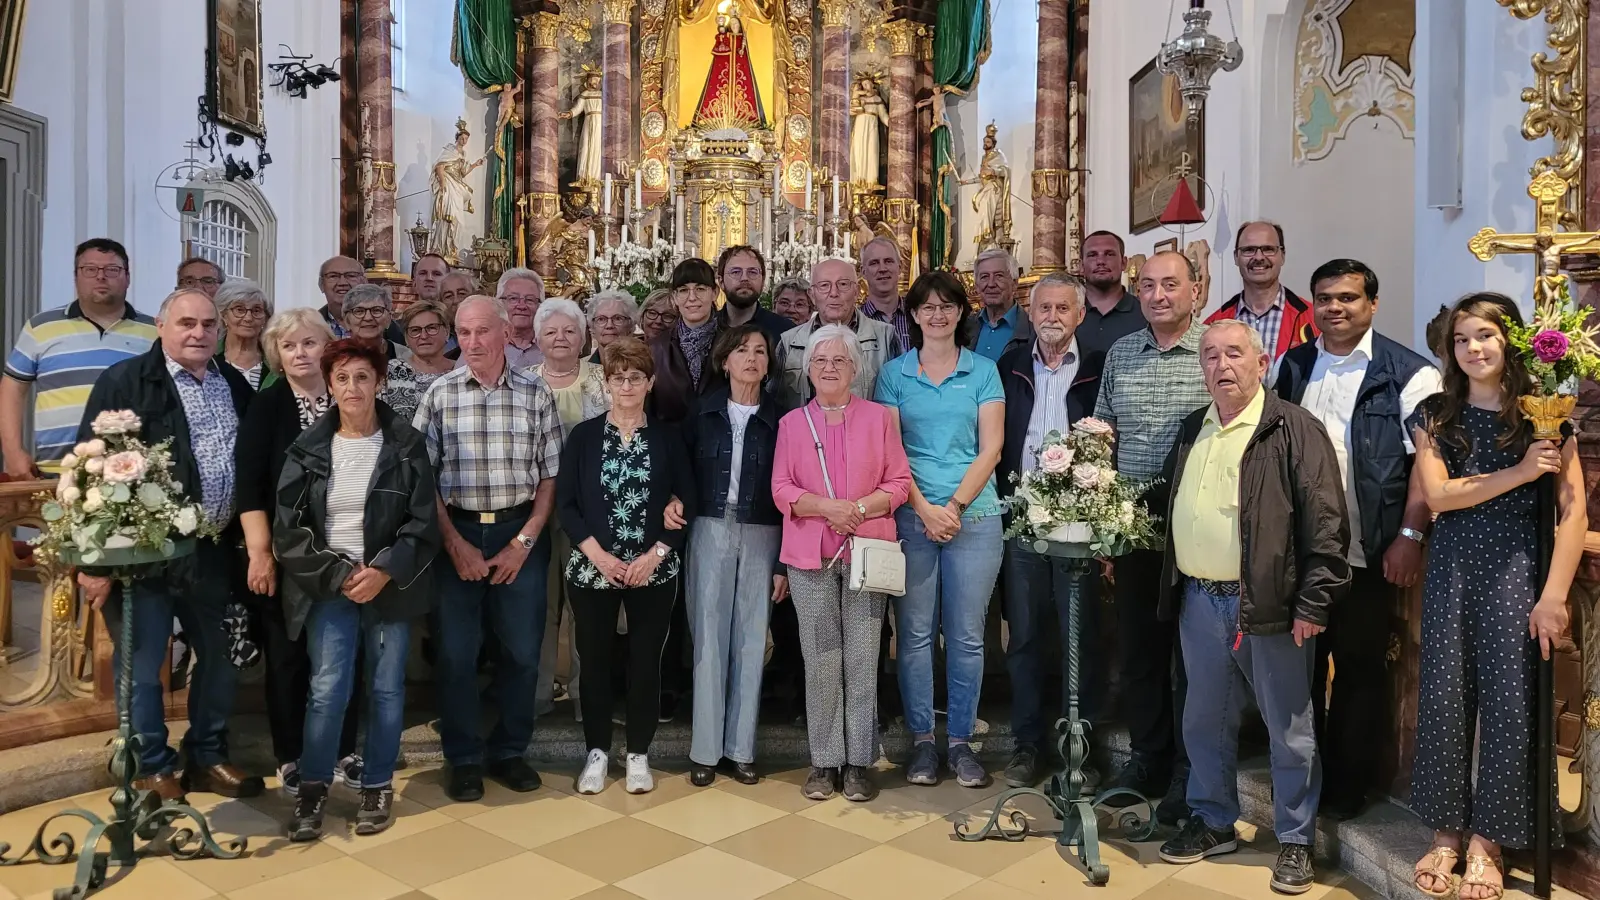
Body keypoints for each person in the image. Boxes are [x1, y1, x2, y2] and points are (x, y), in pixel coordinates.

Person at [1155, 320, 1349, 897]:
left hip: (1268, 603)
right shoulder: (1195, 427)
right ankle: (1215, 820)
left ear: (1261, 363)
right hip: (1198, 599)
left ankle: (1294, 839)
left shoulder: (1291, 428)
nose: (1222, 365)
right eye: (1210, 356)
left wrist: (1313, 601)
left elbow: (1326, 521)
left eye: (1234, 353)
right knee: (1203, 718)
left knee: (1288, 727)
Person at [1407, 293, 1586, 900]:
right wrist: (1519, 472)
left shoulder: (1545, 416)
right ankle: (1446, 834)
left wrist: (1555, 594)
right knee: (1445, 697)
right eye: (1461, 340)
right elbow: (1439, 496)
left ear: (1509, 342)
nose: (1473, 348)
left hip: (1518, 570)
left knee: (1511, 704)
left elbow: (1572, 510)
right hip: (1455, 566)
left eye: (1484, 335)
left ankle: (1491, 840)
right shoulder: (1436, 414)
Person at [1270, 259, 1442, 820]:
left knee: (1361, 669)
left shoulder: (1408, 373)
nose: (1334, 308)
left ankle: (1347, 788)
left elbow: (1426, 465)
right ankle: (1304, 780)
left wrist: (1410, 535)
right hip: (1299, 552)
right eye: (1324, 298)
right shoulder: (1292, 367)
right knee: (1300, 674)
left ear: (1372, 303)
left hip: (1367, 549)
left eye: (1347, 298)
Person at [75, 288, 260, 801]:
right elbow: (91, 467)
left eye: (207, 324)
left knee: (221, 659)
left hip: (212, 551)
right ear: (161, 326)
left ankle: (207, 757)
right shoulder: (126, 381)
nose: (198, 333)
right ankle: (150, 766)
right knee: (143, 664)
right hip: (143, 554)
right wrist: (95, 562)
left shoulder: (232, 383)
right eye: (186, 323)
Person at [276, 339, 440, 841]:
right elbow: (289, 527)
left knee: (387, 689)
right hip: (330, 586)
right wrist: (340, 574)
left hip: (386, 585)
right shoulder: (308, 448)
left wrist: (384, 570)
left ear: (380, 382)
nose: (353, 387)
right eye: (342, 378)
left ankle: (376, 783)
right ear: (329, 384)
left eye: (363, 377)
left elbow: (422, 522)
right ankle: (314, 786)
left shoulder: (406, 445)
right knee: (328, 689)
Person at [412, 295, 563, 802]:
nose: (472, 342)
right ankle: (462, 757)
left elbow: (549, 476)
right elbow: (422, 480)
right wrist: (452, 543)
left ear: (504, 332)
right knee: (456, 654)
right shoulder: (439, 394)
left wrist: (524, 542)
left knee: (522, 652)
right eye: (464, 333)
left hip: (518, 532)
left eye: (482, 332)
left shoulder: (535, 393)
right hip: (457, 532)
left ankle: (509, 751)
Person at [874, 270, 1005, 789]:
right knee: (915, 636)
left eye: (947, 305)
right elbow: (890, 452)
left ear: (959, 312)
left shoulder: (983, 372)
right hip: (910, 513)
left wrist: (951, 505)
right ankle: (924, 742)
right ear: (914, 314)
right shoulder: (894, 374)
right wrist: (924, 508)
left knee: (969, 638)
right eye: (927, 306)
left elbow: (991, 447)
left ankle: (963, 745)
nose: (937, 314)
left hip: (973, 515)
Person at [1094, 250, 1212, 822]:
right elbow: (1102, 439)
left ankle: (1191, 768)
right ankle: (1148, 756)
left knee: (1192, 655)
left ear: (1196, 289)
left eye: (1171, 284)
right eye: (1148, 286)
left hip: (1199, 519)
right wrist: (1107, 527)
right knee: (1141, 649)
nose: (1159, 295)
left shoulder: (1215, 349)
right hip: (1134, 520)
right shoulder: (1122, 353)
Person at [773, 324, 913, 801]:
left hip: (865, 551)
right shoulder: (793, 424)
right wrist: (826, 508)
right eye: (820, 361)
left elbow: (898, 482)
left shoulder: (878, 418)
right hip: (810, 553)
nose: (829, 368)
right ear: (807, 369)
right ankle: (824, 761)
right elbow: (781, 489)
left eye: (840, 361)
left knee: (860, 658)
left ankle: (858, 761)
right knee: (820, 659)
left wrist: (859, 509)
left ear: (856, 368)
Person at [558, 337, 697, 795]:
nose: (627, 385)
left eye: (636, 377)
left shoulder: (667, 437)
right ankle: (597, 751)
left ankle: (639, 752)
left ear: (650, 382)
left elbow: (686, 500)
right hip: (592, 566)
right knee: (594, 661)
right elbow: (568, 505)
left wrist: (655, 553)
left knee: (645, 662)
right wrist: (597, 554)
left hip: (651, 568)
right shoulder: (582, 436)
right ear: (606, 382)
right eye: (618, 377)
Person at [236, 309, 359, 796]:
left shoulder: (346, 395)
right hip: (285, 553)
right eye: (290, 346)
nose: (301, 353)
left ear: (326, 347)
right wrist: (259, 553)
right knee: (288, 657)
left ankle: (344, 748)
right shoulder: (267, 406)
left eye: (310, 343)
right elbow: (250, 485)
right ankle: (290, 755)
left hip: (346, 548)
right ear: (276, 354)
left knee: (345, 656)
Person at [994, 273, 1105, 787]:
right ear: (1030, 314)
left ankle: (1081, 747)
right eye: (1044, 308)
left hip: (1081, 522)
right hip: (1021, 520)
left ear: (1080, 315)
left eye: (1064, 307)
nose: (1053, 316)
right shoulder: (1010, 366)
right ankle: (1028, 744)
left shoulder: (1101, 368)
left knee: (1079, 636)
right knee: (1026, 637)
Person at [683, 325, 785, 787]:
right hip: (709, 526)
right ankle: (705, 749)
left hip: (764, 531)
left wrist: (783, 561)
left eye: (760, 351)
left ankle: (741, 748)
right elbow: (679, 474)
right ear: (724, 361)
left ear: (768, 365)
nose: (750, 358)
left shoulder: (783, 420)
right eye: (741, 350)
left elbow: (791, 490)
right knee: (708, 636)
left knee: (750, 639)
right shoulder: (699, 414)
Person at [3, 239, 157, 476]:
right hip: (54, 471)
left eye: (112, 269)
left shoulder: (155, 332)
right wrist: (13, 452)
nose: (101, 276)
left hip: (131, 473)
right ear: (76, 277)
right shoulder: (41, 327)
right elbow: (12, 388)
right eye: (90, 269)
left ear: (127, 277)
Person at [531, 297, 610, 716]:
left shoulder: (604, 380)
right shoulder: (522, 381)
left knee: (585, 604)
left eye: (569, 331)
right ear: (537, 337)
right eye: (551, 331)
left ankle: (585, 695)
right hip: (534, 510)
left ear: (584, 337)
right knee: (540, 603)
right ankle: (540, 693)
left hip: (590, 509)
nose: (561, 338)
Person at [777, 258, 900, 409]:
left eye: (843, 284)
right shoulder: (789, 341)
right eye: (824, 286)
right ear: (812, 295)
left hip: (869, 431)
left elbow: (901, 398)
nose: (834, 293)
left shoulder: (885, 337)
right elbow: (774, 403)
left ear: (856, 292)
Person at [1206, 221, 1317, 361]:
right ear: (1236, 257)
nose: (1258, 257)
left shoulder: (1313, 318)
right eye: (1249, 250)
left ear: (1282, 255)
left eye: (1268, 249)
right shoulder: (1212, 324)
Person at [649, 259, 724, 422]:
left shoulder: (733, 343)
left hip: (720, 442)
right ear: (674, 297)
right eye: (683, 290)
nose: (692, 298)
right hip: (670, 442)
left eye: (700, 289)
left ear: (715, 293)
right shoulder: (655, 349)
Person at [1077, 230, 1147, 367]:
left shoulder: (1145, 314)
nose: (1101, 261)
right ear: (1081, 266)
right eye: (1092, 255)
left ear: (1123, 263)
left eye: (1109, 254)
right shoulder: (1066, 315)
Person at [382, 301, 458, 421]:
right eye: (415, 330)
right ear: (406, 338)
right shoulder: (390, 372)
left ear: (447, 332)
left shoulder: (461, 371)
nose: (423, 336)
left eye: (432, 328)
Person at [317, 256, 403, 345]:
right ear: (321, 285)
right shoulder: (311, 324)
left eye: (351, 275)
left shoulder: (392, 330)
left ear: (364, 282)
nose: (342, 283)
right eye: (333, 276)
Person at [715, 245, 792, 344]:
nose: (744, 278)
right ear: (721, 282)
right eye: (735, 272)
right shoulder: (706, 330)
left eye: (752, 272)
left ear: (763, 281)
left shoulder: (785, 332)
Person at [966, 248, 1033, 361]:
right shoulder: (965, 327)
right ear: (976, 285)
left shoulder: (1032, 330)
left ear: (1014, 283)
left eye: (999, 276)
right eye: (984, 277)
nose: (991, 284)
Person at [215, 278, 274, 390]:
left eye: (256, 310)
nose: (248, 318)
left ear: (265, 318)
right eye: (239, 310)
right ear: (223, 315)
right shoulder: (209, 359)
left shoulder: (276, 360)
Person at [860, 237, 910, 351]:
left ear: (900, 267)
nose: (882, 268)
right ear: (863, 272)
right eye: (874, 263)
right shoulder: (855, 321)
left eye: (888, 261)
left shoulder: (918, 315)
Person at [340, 284, 410, 363]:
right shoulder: (335, 357)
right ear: (346, 321)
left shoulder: (408, 357)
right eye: (359, 311)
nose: (368, 318)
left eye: (377, 310)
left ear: (389, 319)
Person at [499, 268, 547, 369]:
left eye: (530, 300)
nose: (522, 306)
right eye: (513, 298)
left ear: (540, 306)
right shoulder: (485, 344)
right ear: (499, 303)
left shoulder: (552, 344)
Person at [588, 289, 640, 362]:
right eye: (601, 319)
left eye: (618, 318)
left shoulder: (644, 369)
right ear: (592, 328)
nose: (609, 325)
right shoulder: (580, 371)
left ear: (631, 325)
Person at [440, 270, 476, 357]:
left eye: (461, 294)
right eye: (448, 296)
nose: (456, 300)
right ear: (441, 302)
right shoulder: (436, 338)